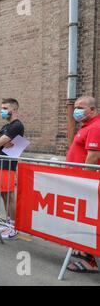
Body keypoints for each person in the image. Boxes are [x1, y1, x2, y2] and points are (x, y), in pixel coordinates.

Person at [65, 96, 100, 274]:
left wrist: (82, 181)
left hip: (85, 183)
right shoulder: (87, 127)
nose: (76, 110)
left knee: (88, 219)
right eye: (75, 106)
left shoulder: (95, 127)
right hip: (80, 181)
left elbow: (92, 158)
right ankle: (84, 252)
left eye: (80, 107)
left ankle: (89, 259)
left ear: (92, 110)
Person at [0, 98, 24, 240]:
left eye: (4, 108)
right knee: (3, 194)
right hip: (0, 164)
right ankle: (9, 223)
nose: (1, 111)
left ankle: (14, 227)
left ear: (13, 110)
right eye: (1, 108)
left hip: (7, 165)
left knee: (9, 195)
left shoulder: (16, 126)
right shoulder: (6, 126)